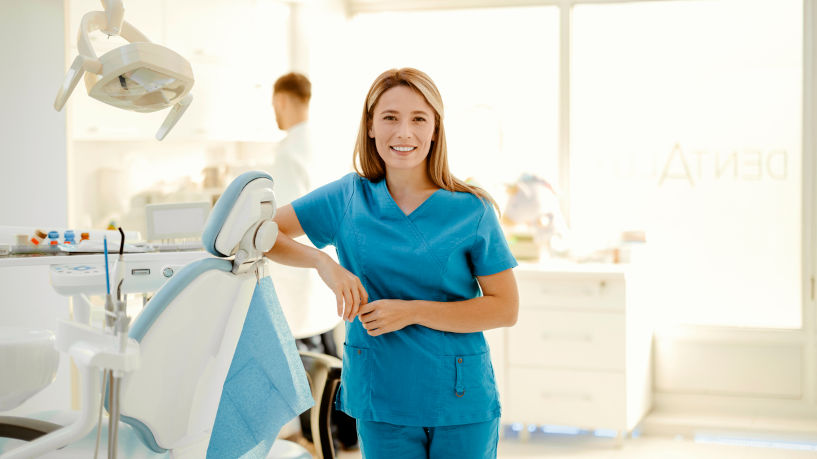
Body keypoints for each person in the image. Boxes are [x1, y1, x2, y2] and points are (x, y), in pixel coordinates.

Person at [265, 68, 519, 458]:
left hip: (459, 397)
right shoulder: (348, 198)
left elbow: (505, 307)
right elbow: (262, 234)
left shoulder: (471, 209)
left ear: (435, 129)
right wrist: (323, 263)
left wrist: (412, 312)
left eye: (419, 119)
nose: (404, 132)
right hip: (381, 395)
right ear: (370, 126)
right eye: (390, 117)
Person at [271, 72, 312, 206]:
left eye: (273, 105)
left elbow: (288, 216)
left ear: (281, 101)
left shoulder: (287, 154)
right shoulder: (327, 143)